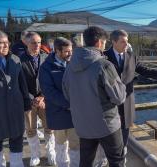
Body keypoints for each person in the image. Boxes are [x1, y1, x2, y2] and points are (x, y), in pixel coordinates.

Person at [104, 29, 157, 159]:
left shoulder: (131, 56)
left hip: (127, 102)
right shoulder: (103, 56)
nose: (126, 44)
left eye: (127, 42)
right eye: (123, 42)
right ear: (113, 42)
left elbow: (145, 70)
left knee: (124, 137)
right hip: (109, 105)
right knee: (108, 138)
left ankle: (122, 159)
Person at [62, 26, 126, 167]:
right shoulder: (104, 65)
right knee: (117, 160)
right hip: (106, 124)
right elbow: (119, 97)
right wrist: (122, 84)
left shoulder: (70, 66)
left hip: (83, 124)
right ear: (99, 43)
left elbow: (67, 94)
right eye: (104, 43)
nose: (104, 46)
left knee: (85, 162)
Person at [0, 30, 31, 167]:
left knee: (17, 141)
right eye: (1, 43)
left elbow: (22, 85)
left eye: (7, 42)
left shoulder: (15, 60)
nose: (6, 45)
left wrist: (27, 105)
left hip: (15, 109)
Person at [39, 37, 79, 167]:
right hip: (58, 112)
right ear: (57, 50)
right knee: (61, 143)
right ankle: (63, 164)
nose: (70, 53)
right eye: (67, 51)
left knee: (76, 143)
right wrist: (69, 104)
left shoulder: (74, 63)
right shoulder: (46, 67)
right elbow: (49, 92)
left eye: (71, 50)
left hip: (74, 113)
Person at [20, 31, 56, 166]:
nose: (37, 45)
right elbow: (19, 82)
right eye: (33, 42)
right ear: (26, 43)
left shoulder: (47, 57)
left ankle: (51, 152)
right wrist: (31, 98)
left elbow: (52, 79)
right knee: (30, 129)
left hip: (45, 100)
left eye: (39, 42)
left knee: (49, 127)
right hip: (28, 101)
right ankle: (35, 155)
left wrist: (43, 96)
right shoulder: (18, 60)